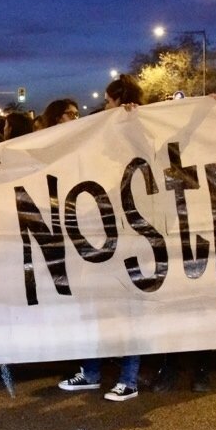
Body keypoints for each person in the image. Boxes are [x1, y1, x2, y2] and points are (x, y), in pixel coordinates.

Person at [59, 75, 145, 403]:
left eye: (109, 101)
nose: (107, 108)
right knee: (96, 308)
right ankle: (92, 373)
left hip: (131, 234)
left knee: (128, 310)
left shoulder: (139, 129)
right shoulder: (104, 132)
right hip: (103, 233)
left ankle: (129, 379)